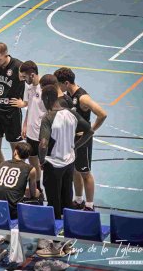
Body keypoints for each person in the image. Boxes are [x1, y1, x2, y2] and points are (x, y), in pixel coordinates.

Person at [54, 68, 107, 211]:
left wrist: (90, 131)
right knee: (75, 171)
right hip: (71, 138)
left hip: (82, 140)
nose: (58, 87)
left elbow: (102, 114)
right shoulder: (67, 95)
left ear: (66, 83)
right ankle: (78, 200)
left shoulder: (83, 98)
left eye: (58, 84)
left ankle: (89, 205)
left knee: (84, 172)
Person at [38, 85, 94, 220]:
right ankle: (67, 228)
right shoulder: (72, 113)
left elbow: (43, 144)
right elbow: (89, 131)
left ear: (47, 98)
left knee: (53, 200)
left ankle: (56, 236)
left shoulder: (48, 118)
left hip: (53, 164)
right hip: (69, 163)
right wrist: (75, 146)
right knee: (67, 196)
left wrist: (41, 160)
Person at [0, 142, 36, 248]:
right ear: (28, 156)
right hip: (12, 212)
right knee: (38, 198)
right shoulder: (30, 169)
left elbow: (0, 186)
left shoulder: (2, 164)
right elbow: (32, 193)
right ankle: (39, 237)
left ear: (15, 152)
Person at [19, 61, 45, 195]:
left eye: (25, 77)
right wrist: (25, 124)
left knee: (45, 164)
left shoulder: (45, 89)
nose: (23, 79)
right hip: (30, 133)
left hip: (42, 135)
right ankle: (38, 187)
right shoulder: (28, 88)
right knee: (33, 161)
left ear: (32, 75)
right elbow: (29, 107)